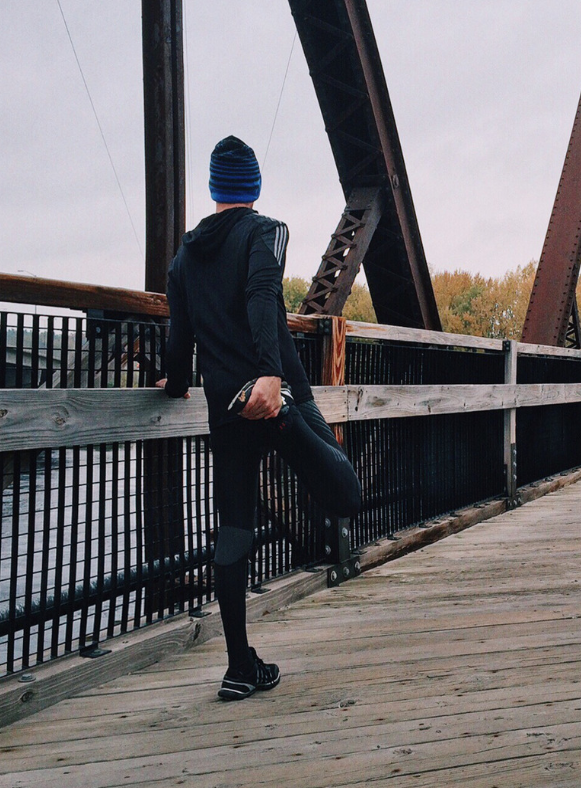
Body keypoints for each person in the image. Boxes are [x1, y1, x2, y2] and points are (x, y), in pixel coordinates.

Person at [158, 135, 362, 701]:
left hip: (225, 408)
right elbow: (260, 294)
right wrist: (273, 380)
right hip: (276, 397)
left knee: (234, 528)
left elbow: (179, 340)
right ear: (253, 186)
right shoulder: (266, 232)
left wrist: (173, 384)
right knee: (345, 495)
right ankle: (286, 422)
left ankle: (239, 666)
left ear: (213, 188)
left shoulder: (182, 258)